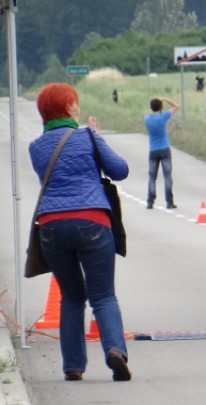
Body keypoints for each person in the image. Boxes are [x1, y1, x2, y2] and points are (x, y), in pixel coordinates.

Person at [27, 82, 131, 382]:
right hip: (92, 221)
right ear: (68, 107)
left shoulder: (35, 147)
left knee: (71, 298)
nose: (78, 106)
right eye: (75, 102)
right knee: (103, 295)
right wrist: (98, 138)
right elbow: (120, 170)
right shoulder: (87, 136)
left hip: (50, 227)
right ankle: (115, 351)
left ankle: (73, 366)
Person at [144, 96, 179, 209]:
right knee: (167, 176)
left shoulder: (147, 119)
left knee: (152, 177)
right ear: (161, 107)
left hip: (153, 150)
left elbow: (152, 115)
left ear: (151, 107)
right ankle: (169, 202)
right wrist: (165, 99)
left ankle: (150, 201)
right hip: (164, 148)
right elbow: (176, 106)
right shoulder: (163, 117)